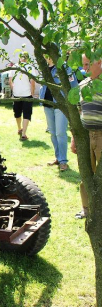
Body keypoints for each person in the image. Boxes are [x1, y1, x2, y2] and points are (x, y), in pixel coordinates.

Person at [71, 54, 102, 219]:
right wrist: (74, 138)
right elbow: (78, 112)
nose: (85, 69)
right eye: (83, 65)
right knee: (85, 174)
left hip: (101, 135)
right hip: (85, 136)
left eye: (88, 64)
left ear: (100, 62)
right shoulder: (83, 85)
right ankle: (87, 209)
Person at [39, 55, 78, 172]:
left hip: (60, 105)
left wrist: (70, 102)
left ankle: (63, 161)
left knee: (60, 133)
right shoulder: (44, 67)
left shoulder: (64, 67)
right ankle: (58, 157)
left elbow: (74, 85)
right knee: (53, 133)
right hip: (47, 104)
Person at [9, 52, 36, 141]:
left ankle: (19, 128)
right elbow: (32, 82)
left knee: (17, 112)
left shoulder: (14, 67)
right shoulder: (30, 67)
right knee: (27, 113)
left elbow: (10, 81)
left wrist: (14, 90)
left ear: (20, 58)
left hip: (17, 94)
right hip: (27, 94)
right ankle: (24, 133)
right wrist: (32, 93)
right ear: (27, 58)